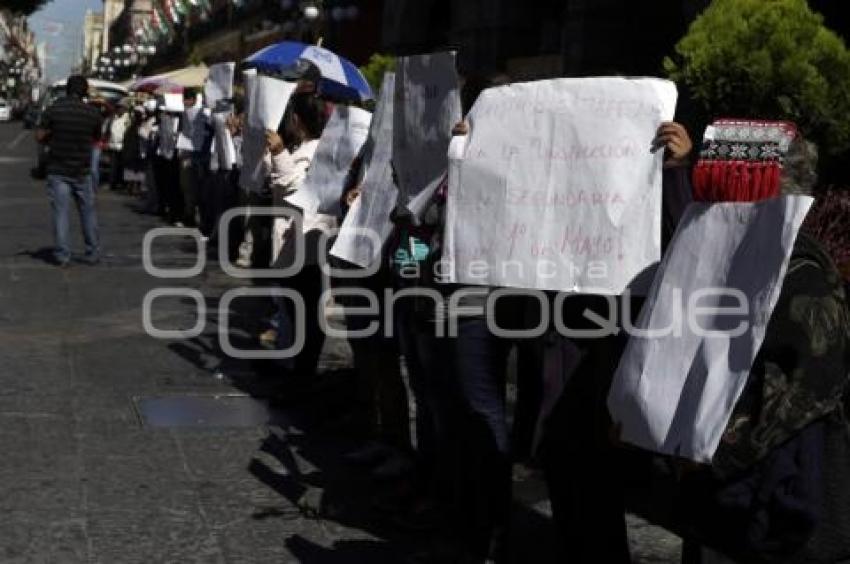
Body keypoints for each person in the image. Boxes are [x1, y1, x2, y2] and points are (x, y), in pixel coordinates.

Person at [35, 75, 104, 267]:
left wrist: (51, 135)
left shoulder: (54, 110)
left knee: (61, 213)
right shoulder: (92, 113)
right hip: (82, 170)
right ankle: (92, 251)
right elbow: (96, 138)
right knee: (88, 212)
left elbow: (39, 136)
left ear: (67, 90)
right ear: (84, 91)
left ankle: (63, 254)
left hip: (58, 169)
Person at [107, 101, 129, 191]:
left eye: (121, 108)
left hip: (123, 146)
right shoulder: (113, 118)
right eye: (118, 108)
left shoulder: (128, 118)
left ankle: (122, 183)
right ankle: (113, 183)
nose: (119, 109)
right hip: (113, 145)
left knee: (122, 166)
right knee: (113, 166)